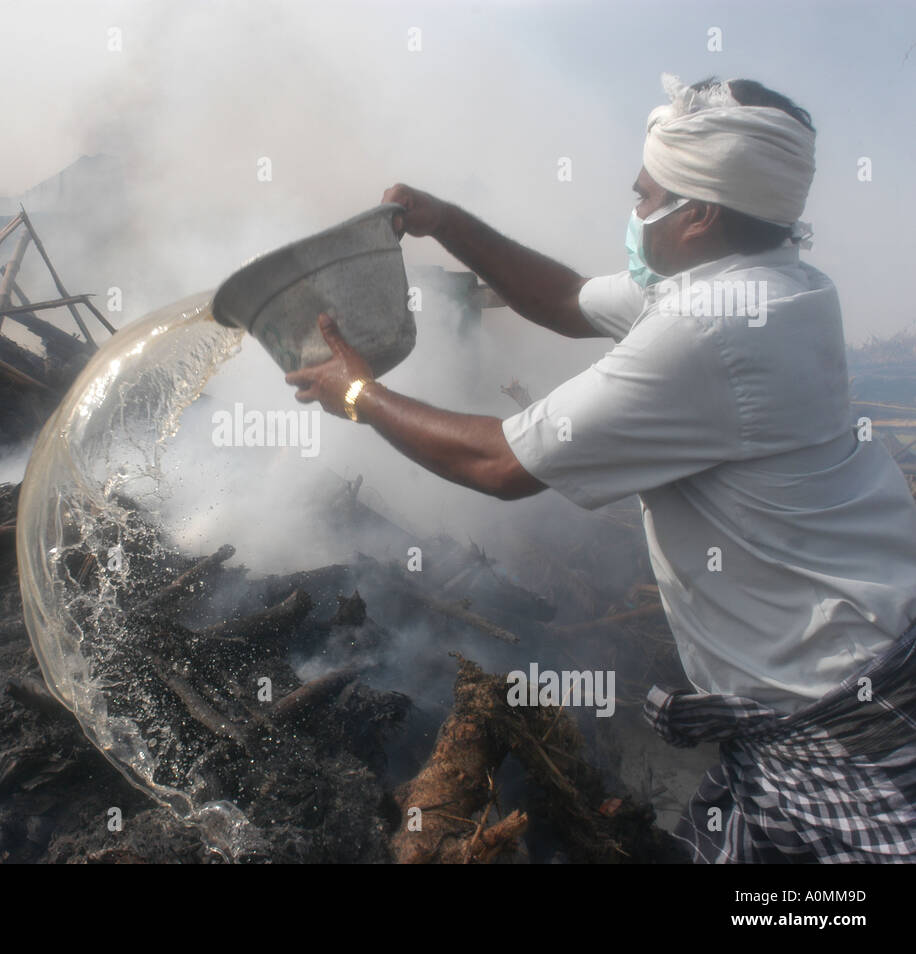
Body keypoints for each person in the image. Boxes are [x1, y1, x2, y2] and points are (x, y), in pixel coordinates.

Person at [285, 74, 916, 863]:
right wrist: (447, 224)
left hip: (838, 728)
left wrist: (357, 393)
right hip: (850, 671)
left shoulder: (710, 327)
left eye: (645, 195)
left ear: (701, 214)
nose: (635, 210)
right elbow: (569, 300)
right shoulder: (767, 282)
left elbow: (502, 462)